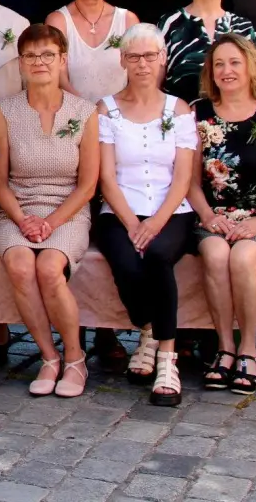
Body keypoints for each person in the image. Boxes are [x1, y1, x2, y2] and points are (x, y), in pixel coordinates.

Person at [0, 24, 99, 398]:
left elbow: (88, 185)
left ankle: (75, 358)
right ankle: (48, 357)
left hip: (66, 211)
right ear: (20, 63)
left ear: (62, 59)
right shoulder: (4, 111)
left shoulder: (84, 112)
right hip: (16, 210)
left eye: (48, 54)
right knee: (21, 266)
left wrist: (51, 222)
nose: (39, 62)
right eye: (31, 55)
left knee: (50, 268)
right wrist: (22, 220)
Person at [94, 24, 198, 407]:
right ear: (122, 60)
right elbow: (106, 177)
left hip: (172, 210)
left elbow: (184, 177)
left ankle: (166, 358)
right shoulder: (107, 109)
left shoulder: (179, 109)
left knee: (156, 256)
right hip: (120, 211)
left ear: (163, 59)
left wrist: (155, 222)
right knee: (127, 265)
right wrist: (133, 222)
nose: (142, 64)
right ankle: (149, 329)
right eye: (134, 56)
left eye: (150, 56)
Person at [187, 35, 256, 395]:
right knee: (217, 253)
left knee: (244, 254)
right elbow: (188, 182)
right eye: (219, 64)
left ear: (250, 65)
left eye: (234, 62)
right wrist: (207, 215)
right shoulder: (197, 112)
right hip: (214, 214)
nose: (226, 70)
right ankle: (224, 347)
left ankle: (248, 348)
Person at [157, 0, 256, 103]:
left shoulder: (244, 27)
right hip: (180, 121)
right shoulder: (169, 24)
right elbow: (155, 83)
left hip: (234, 122)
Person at [46, 0, 138, 103]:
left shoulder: (128, 20)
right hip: (72, 116)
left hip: (120, 116)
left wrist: (111, 111)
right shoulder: (57, 21)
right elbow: (57, 78)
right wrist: (87, 113)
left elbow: (138, 76)